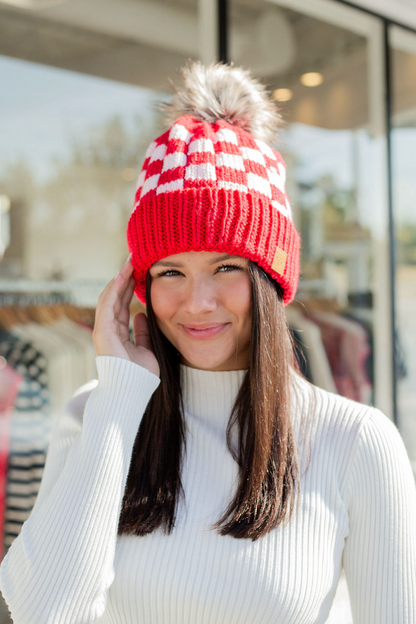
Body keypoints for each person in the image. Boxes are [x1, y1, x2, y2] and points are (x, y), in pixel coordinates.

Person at [0, 61, 415, 624]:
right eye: (169, 272)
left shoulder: (355, 442)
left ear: (271, 280)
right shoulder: (94, 417)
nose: (196, 302)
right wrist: (120, 396)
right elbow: (44, 613)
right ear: (137, 287)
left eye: (225, 267)